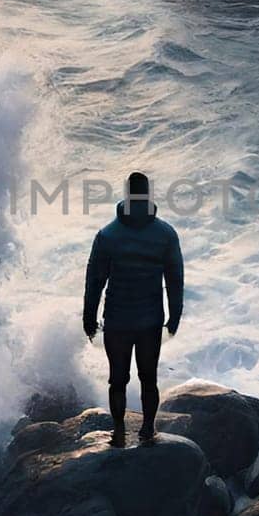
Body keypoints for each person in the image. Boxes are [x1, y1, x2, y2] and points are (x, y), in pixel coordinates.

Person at [82, 172, 184, 446]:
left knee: (117, 380)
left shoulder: (107, 235)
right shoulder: (165, 234)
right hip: (151, 321)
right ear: (148, 195)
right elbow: (175, 280)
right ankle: (148, 429)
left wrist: (88, 318)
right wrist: (175, 316)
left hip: (116, 320)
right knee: (148, 378)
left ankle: (118, 431)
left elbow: (94, 281)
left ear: (127, 196)